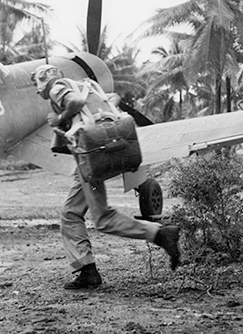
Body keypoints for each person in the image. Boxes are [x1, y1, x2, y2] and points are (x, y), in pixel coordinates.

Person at [32, 64, 181, 290]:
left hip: (92, 157)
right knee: (71, 213)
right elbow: (115, 98)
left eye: (36, 83)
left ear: (45, 79)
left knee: (102, 218)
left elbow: (75, 103)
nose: (37, 90)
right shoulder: (88, 86)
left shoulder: (57, 88)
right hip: (109, 149)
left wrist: (59, 118)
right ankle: (86, 269)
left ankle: (159, 234)